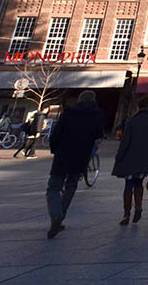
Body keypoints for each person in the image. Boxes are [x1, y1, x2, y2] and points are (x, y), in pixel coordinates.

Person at [45, 91, 105, 239]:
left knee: (53, 186)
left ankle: (56, 214)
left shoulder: (69, 113)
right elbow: (99, 135)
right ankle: (60, 217)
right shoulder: (97, 115)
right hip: (81, 156)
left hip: (64, 153)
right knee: (71, 186)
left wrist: (55, 149)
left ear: (79, 99)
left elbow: (56, 133)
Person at [112, 98, 148, 225]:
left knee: (128, 185)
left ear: (138, 107)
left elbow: (125, 141)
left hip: (130, 158)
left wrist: (119, 156)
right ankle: (139, 207)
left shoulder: (132, 121)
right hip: (145, 158)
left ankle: (126, 214)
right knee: (139, 183)